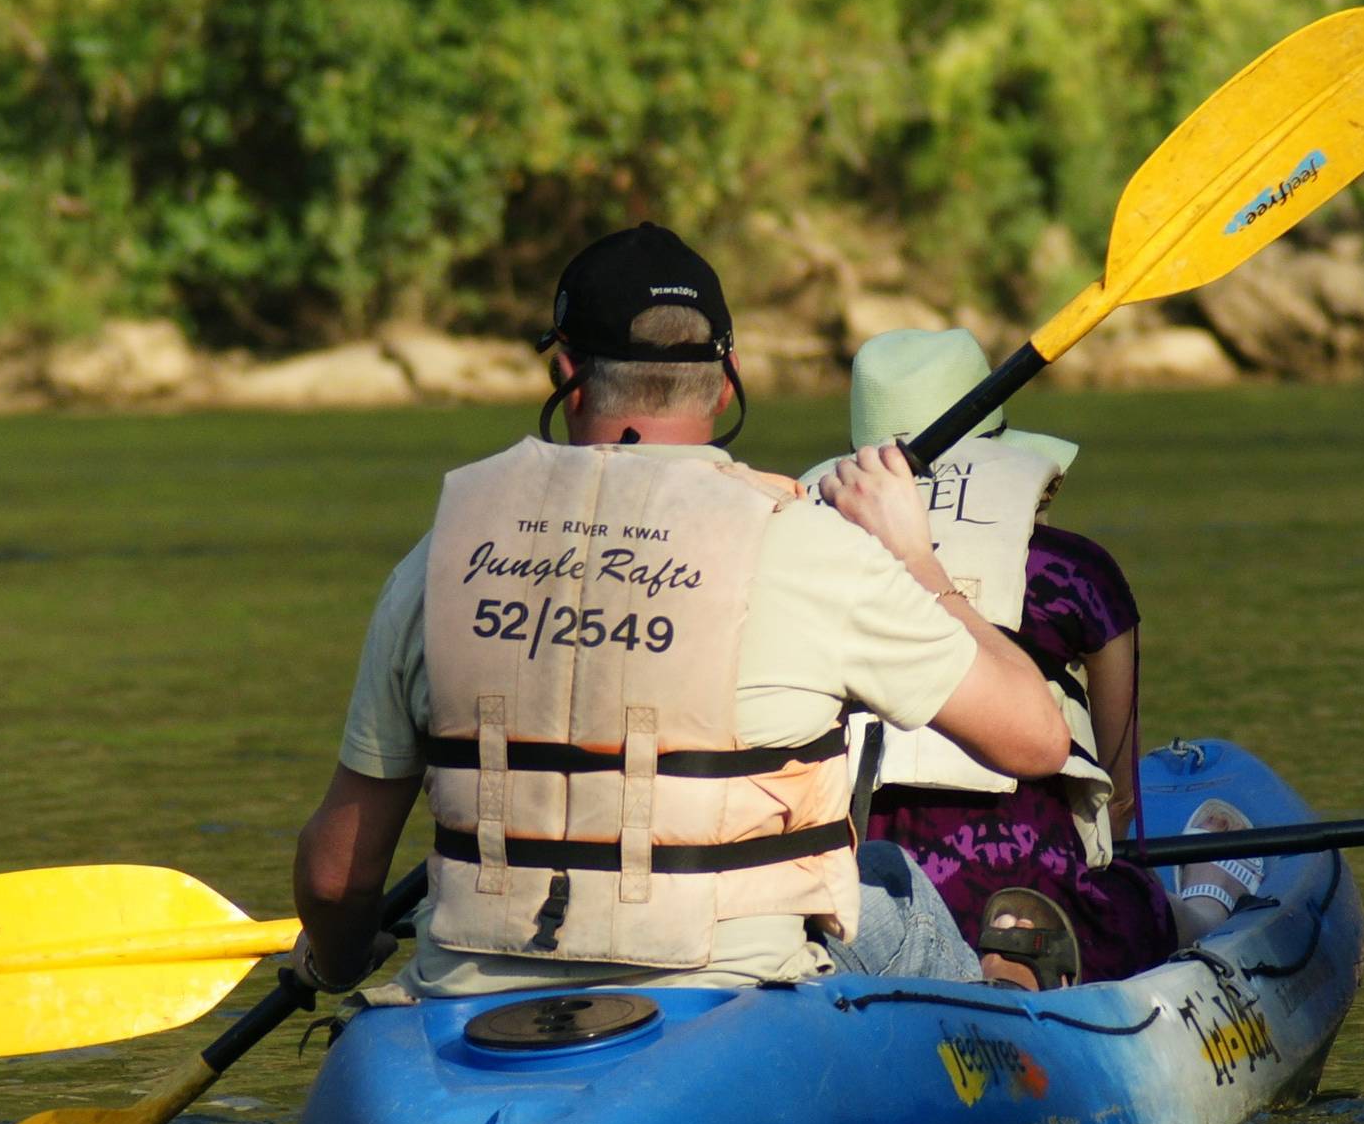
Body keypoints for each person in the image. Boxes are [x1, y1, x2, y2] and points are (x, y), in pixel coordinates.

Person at [286, 226, 1072, 1000]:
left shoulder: (439, 558)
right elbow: (1035, 741)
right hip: (732, 992)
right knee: (889, 885)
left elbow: (334, 878)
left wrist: (337, 959)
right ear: (727, 380)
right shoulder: (807, 546)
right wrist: (916, 558)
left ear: (565, 372)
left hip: (470, 988)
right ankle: (1013, 1002)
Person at [819, 329, 1177, 989]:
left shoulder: (805, 566)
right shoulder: (1076, 573)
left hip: (865, 882)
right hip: (1030, 888)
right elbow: (1119, 799)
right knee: (1141, 903)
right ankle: (1208, 905)